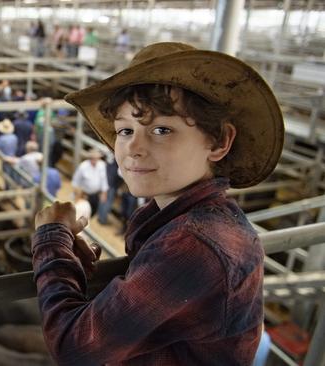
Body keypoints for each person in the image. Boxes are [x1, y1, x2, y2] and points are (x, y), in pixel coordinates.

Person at [31, 42, 284, 364]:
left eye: (162, 129)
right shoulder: (192, 221)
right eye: (124, 130)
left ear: (219, 141)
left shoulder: (195, 243)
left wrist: (51, 236)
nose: (132, 148)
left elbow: (74, 346)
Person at [71, 148, 108, 216]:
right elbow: (76, 181)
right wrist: (76, 194)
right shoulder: (83, 166)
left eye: (96, 158)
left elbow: (104, 179)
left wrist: (104, 193)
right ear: (90, 158)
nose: (94, 160)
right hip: (84, 195)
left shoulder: (102, 165)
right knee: (82, 212)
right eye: (93, 158)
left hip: (95, 195)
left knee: (93, 211)